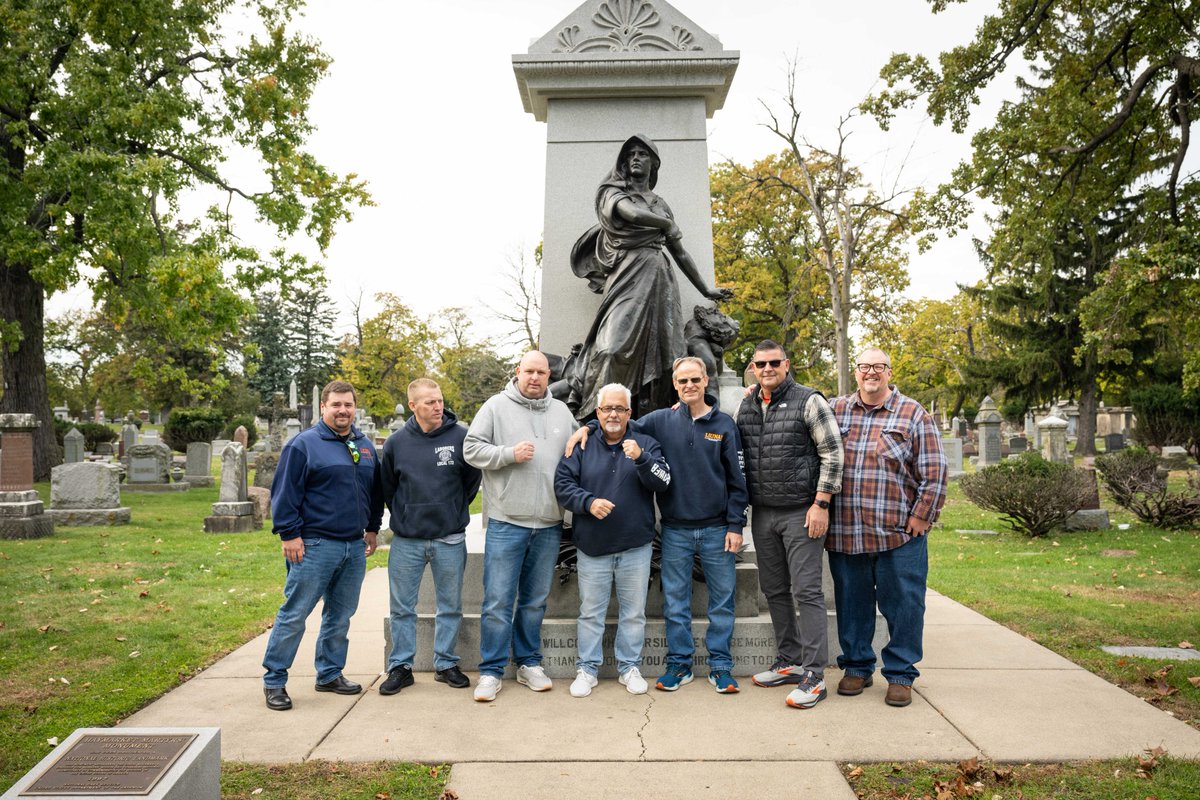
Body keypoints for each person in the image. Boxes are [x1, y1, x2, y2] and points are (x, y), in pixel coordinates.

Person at [566, 356, 748, 693]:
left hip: (718, 529)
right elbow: (617, 420)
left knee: (722, 601)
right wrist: (588, 427)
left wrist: (736, 524)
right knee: (675, 602)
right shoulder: (659, 421)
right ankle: (679, 664)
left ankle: (720, 666)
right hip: (675, 530)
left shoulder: (724, 425)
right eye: (682, 382)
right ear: (675, 385)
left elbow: (738, 480)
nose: (689, 386)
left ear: (705, 380)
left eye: (695, 380)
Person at [566, 134, 731, 417]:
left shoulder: (659, 203)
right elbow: (629, 213)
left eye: (641, 154)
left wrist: (705, 290)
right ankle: (600, 418)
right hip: (627, 274)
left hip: (659, 279)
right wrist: (666, 224)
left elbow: (679, 252)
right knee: (611, 349)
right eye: (630, 154)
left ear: (653, 164)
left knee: (666, 356)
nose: (635, 159)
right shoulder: (613, 192)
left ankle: (651, 418)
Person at [828, 347, 947, 708]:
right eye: (864, 367)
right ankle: (857, 666)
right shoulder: (837, 409)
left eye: (878, 367)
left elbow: (935, 469)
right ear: (856, 371)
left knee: (905, 605)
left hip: (898, 533)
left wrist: (922, 515)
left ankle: (900, 673)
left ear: (889, 372)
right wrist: (757, 394)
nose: (871, 373)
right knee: (852, 605)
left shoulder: (912, 413)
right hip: (847, 531)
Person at [262, 380, 384, 711]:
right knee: (295, 613)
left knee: (340, 615)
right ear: (323, 408)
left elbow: (374, 492)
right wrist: (289, 534)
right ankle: (275, 680)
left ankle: (329, 673)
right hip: (314, 545)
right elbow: (284, 493)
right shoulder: (303, 445)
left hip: (353, 546)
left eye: (348, 405)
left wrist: (372, 528)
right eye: (336, 405)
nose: (343, 410)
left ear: (354, 407)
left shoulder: (365, 445)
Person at [464, 351, 578, 702]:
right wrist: (508, 454)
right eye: (529, 371)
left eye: (541, 372)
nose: (534, 377)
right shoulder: (496, 406)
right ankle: (491, 670)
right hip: (506, 522)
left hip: (548, 523)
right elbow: (471, 449)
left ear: (548, 376)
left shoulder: (561, 412)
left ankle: (529, 663)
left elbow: (578, 449)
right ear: (518, 372)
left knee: (534, 601)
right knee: (498, 600)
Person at [736, 340, 844, 709]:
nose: (767, 369)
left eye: (774, 363)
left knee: (807, 591)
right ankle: (790, 660)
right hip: (763, 512)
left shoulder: (809, 400)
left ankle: (815, 675)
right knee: (775, 590)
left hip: (802, 510)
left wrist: (821, 503)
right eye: (760, 364)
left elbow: (832, 453)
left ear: (787, 364)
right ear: (752, 367)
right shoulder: (747, 404)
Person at [554, 383, 671, 697]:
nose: (614, 414)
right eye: (607, 409)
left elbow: (663, 482)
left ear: (630, 413)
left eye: (620, 408)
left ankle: (629, 667)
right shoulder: (582, 444)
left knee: (633, 613)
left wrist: (642, 458)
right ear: (598, 411)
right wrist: (588, 502)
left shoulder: (646, 442)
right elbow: (562, 485)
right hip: (593, 546)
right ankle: (587, 669)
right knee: (591, 612)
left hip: (636, 546)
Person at [378, 379, 481, 695]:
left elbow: (471, 481)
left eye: (439, 400)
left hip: (449, 538)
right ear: (412, 405)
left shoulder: (461, 437)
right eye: (429, 402)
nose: (437, 407)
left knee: (450, 605)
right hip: (407, 541)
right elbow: (388, 487)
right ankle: (401, 667)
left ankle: (446, 663)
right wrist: (407, 514)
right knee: (402, 608)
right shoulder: (396, 443)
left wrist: (451, 510)